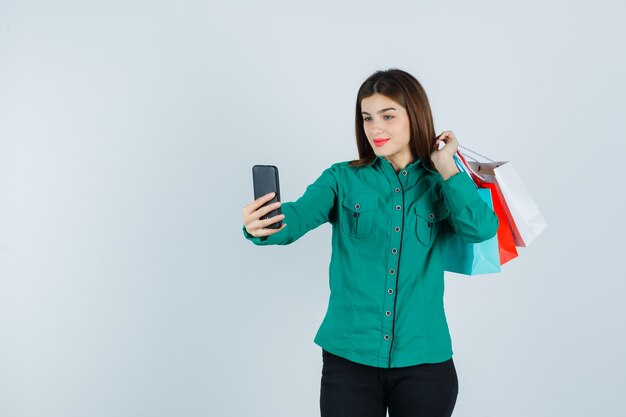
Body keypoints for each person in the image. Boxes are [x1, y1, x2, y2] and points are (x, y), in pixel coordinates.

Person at [241, 68, 498, 417]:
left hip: (424, 361)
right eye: (367, 118)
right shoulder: (341, 178)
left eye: (388, 116)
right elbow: (299, 215)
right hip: (349, 360)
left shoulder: (443, 183)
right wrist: (264, 225)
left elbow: (481, 229)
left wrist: (446, 167)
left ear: (415, 116)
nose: (375, 128)